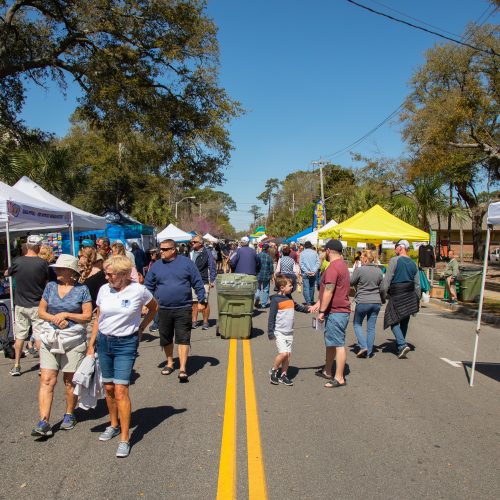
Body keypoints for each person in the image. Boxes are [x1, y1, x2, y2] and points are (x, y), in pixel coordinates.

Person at [87, 255, 157, 458]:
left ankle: (125, 438)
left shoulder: (139, 290)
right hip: (104, 341)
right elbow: (99, 317)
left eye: (111, 274)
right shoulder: (103, 289)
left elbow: (154, 308)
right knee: (108, 388)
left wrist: (142, 328)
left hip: (126, 343)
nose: (106, 277)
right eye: (106, 273)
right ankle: (114, 424)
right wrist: (92, 344)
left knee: (120, 390)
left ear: (125, 275)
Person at [32, 254, 92, 437]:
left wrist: (66, 314)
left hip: (73, 339)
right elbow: (41, 311)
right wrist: (55, 318)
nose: (56, 271)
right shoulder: (50, 287)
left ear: (70, 272)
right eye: (56, 268)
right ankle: (44, 421)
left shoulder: (82, 290)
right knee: (47, 379)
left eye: (60, 269)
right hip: (51, 337)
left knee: (69, 380)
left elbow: (87, 316)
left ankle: (69, 413)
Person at [145, 239, 206, 381]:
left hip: (183, 308)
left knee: (183, 338)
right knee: (165, 338)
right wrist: (144, 303)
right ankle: (170, 363)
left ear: (173, 250)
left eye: (164, 249)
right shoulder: (156, 266)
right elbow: (148, 285)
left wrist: (202, 300)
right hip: (163, 308)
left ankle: (183, 368)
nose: (161, 252)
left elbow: (197, 282)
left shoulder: (186, 263)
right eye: (160, 249)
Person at [5, 235, 48, 376]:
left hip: (20, 304)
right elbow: (48, 281)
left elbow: (7, 273)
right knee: (38, 336)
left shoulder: (18, 261)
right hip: (37, 304)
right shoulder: (42, 263)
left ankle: (16, 365)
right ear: (38, 247)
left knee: (20, 336)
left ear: (27, 246)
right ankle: (43, 366)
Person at [311, 239, 351, 388]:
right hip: (336, 310)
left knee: (338, 343)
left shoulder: (334, 267)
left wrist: (321, 311)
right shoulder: (342, 265)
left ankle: (339, 377)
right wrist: (319, 303)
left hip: (336, 311)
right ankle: (327, 370)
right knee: (331, 343)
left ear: (328, 251)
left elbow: (329, 290)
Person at [268, 276, 311, 386]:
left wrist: (309, 310)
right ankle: (274, 370)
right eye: (290, 286)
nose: (292, 287)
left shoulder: (289, 298)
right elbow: (271, 317)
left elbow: (298, 307)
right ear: (282, 288)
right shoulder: (275, 300)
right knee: (283, 353)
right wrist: (270, 332)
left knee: (288, 355)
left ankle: (283, 375)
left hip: (289, 332)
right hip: (279, 332)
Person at [382, 240, 421, 359]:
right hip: (410, 294)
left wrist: (383, 295)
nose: (395, 249)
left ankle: (402, 344)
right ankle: (400, 345)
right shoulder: (413, 263)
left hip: (397, 293)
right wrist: (417, 299)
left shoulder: (394, 261)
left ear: (401, 248)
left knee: (392, 319)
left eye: (396, 247)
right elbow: (417, 284)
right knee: (404, 320)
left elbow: (387, 280)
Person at [350, 249, 384, 358]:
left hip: (363, 300)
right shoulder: (379, 271)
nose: (360, 259)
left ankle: (363, 346)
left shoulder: (360, 270)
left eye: (361, 257)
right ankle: (369, 352)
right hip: (376, 301)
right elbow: (382, 288)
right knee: (371, 328)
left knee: (357, 324)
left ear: (365, 258)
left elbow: (351, 282)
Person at [189, 235, 216, 330]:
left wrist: (212, 280)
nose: (192, 243)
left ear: (200, 243)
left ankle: (205, 322)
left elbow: (212, 266)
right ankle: (194, 321)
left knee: (204, 301)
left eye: (194, 242)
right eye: (191, 242)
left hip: (203, 281)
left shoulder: (207, 252)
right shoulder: (190, 252)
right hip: (191, 281)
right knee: (194, 302)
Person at [299, 241, 320, 305]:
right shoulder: (315, 253)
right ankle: (310, 300)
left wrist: (307, 271)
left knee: (306, 287)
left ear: (305, 246)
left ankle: (308, 302)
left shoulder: (302, 253)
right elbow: (318, 263)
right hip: (313, 273)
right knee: (312, 287)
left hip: (305, 273)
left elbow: (301, 264)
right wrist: (313, 271)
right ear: (311, 246)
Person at [255, 243, 274, 308]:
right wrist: (272, 276)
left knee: (258, 288)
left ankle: (257, 297)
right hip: (266, 275)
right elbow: (271, 268)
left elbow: (255, 265)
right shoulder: (269, 257)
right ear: (267, 249)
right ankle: (263, 304)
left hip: (258, 275)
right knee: (266, 289)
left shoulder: (257, 255)